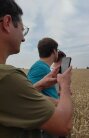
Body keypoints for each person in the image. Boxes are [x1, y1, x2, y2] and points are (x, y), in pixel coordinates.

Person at [0, 0, 73, 138]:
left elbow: (19, 99)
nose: (23, 39)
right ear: (7, 23)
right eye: (22, 30)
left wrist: (39, 85)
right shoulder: (7, 77)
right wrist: (65, 86)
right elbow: (64, 125)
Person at [27, 38, 60, 103]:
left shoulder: (43, 67)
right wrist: (59, 103)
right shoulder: (39, 68)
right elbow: (30, 95)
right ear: (54, 51)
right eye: (57, 50)